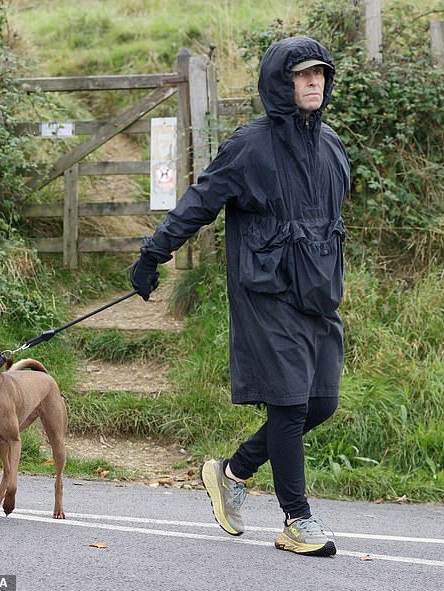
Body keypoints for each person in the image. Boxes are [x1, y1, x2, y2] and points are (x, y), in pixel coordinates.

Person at [130, 36, 350, 557]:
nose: (313, 81)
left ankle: (232, 472)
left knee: (321, 401)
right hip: (267, 291)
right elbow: (199, 202)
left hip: (318, 295)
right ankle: (297, 520)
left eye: (319, 73)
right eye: (301, 75)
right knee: (291, 403)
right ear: (281, 82)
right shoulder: (249, 146)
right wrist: (151, 255)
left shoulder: (333, 146)